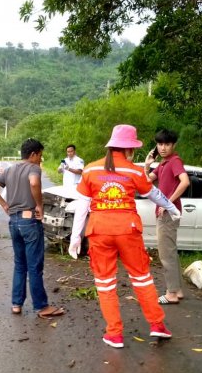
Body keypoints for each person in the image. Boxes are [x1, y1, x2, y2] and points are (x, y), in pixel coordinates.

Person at [68, 124, 181, 348]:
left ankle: (114, 334)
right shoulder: (134, 171)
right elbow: (154, 194)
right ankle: (157, 326)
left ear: (111, 146)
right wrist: (172, 207)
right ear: (129, 149)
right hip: (128, 230)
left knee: (105, 283)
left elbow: (82, 207)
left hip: (100, 231)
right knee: (142, 278)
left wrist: (75, 237)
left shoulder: (90, 169)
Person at [0, 138, 65, 319]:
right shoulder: (33, 168)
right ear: (33, 154)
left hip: (14, 222)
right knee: (34, 266)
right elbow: (35, 183)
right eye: (40, 156)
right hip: (29, 222)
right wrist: (39, 205)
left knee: (20, 264)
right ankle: (41, 306)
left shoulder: (10, 170)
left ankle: (16, 304)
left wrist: (5, 205)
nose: (40, 160)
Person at [144, 129, 190, 304]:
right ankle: (177, 290)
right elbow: (147, 181)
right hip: (166, 213)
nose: (163, 148)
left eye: (167, 144)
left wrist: (167, 203)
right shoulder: (163, 164)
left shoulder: (174, 161)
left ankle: (171, 294)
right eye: (160, 144)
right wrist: (148, 165)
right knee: (170, 252)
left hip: (168, 214)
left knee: (165, 254)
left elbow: (185, 182)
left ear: (173, 145)